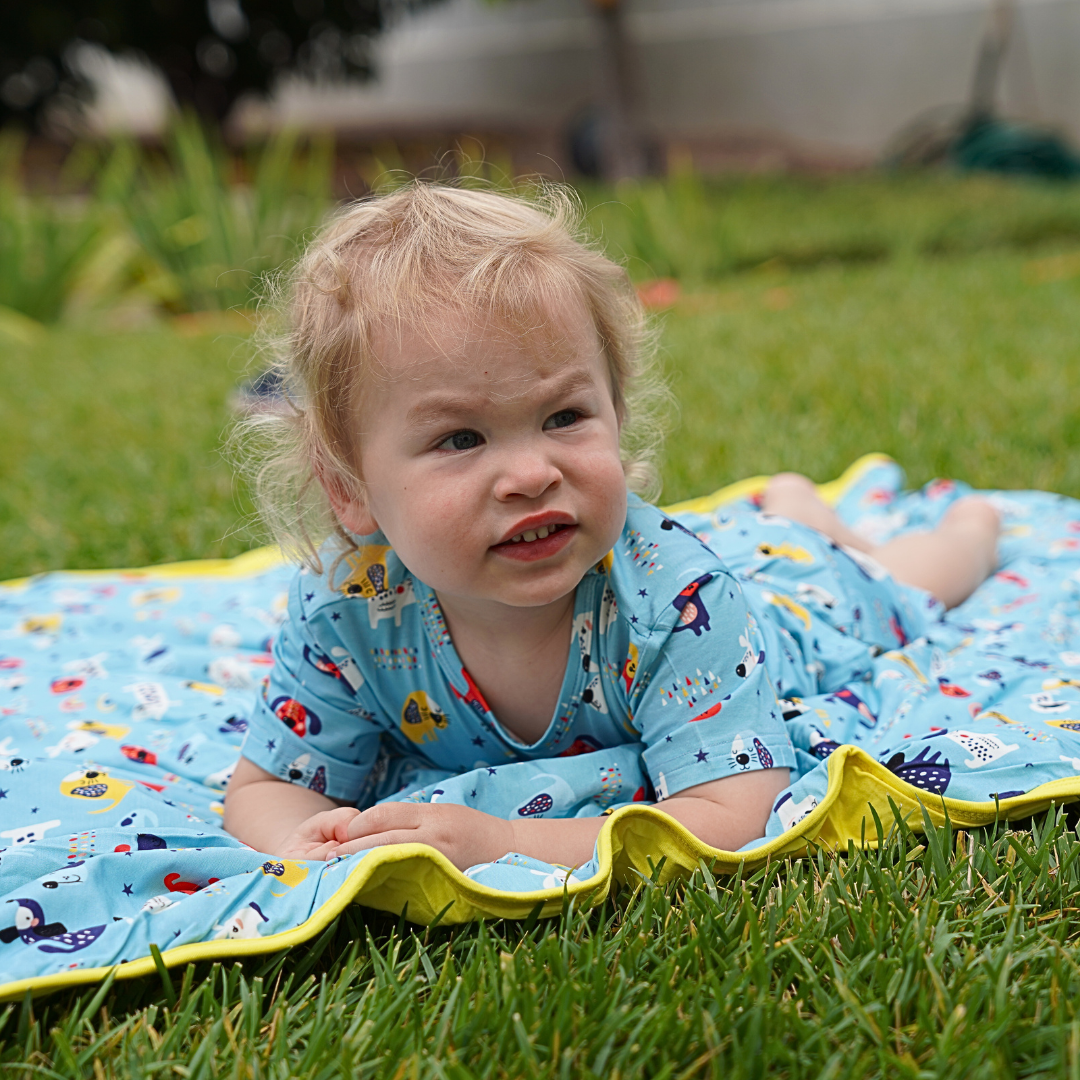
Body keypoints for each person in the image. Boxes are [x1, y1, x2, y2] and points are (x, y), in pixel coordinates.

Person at [223, 183, 1000, 869]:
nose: (531, 474)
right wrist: (310, 848)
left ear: (616, 416)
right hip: (728, 560)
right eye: (460, 438)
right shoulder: (348, 614)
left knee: (898, 580)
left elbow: (730, 817)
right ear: (350, 490)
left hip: (789, 608)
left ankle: (950, 526)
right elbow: (269, 787)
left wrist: (499, 843)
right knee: (790, 537)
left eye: (564, 416)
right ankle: (795, 507)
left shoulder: (679, 603)